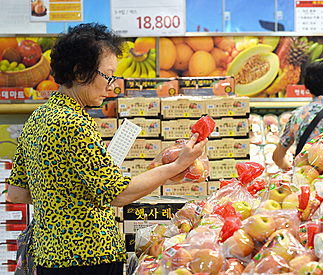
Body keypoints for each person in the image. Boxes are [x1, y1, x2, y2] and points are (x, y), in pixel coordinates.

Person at [7, 23, 207, 275]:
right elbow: (118, 195)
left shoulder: (37, 118)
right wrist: (177, 166)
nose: (112, 86)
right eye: (108, 76)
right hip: (88, 259)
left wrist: (62, 201)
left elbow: (17, 194)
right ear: (81, 73)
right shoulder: (74, 124)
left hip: (49, 259)